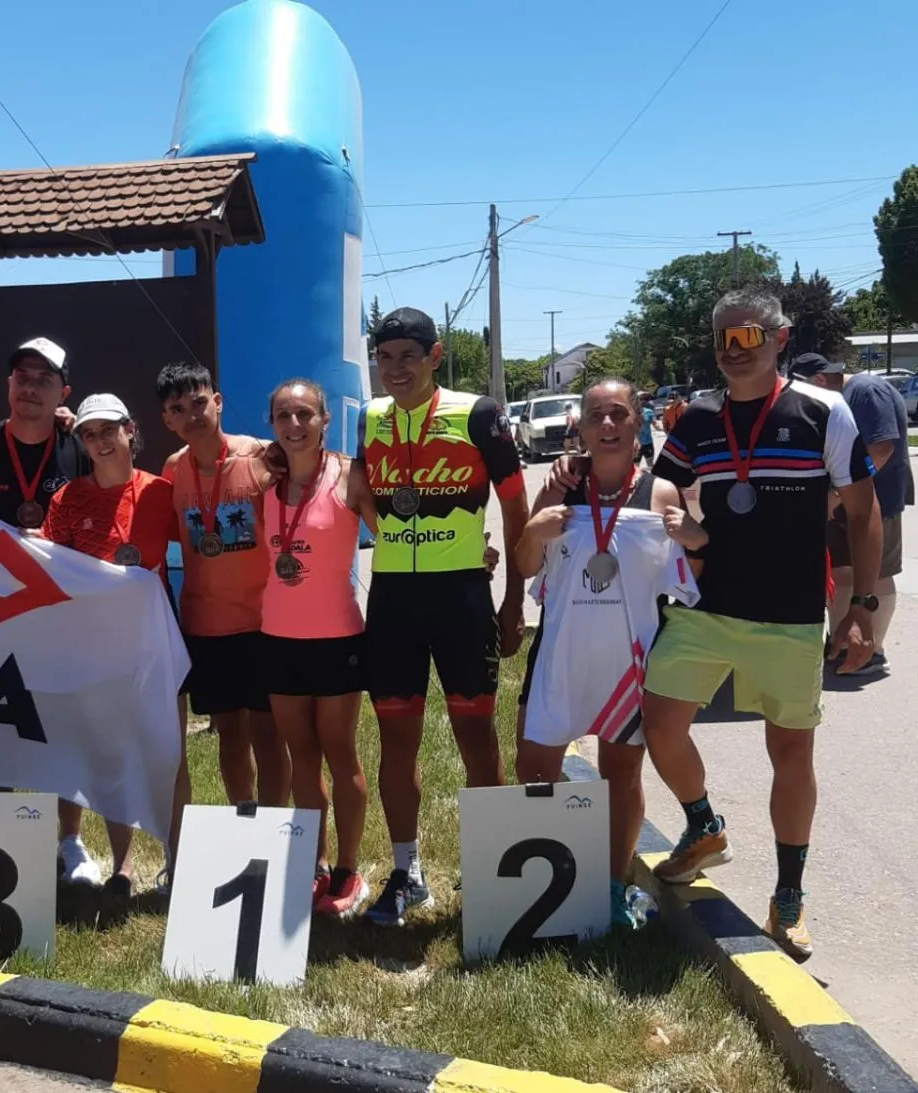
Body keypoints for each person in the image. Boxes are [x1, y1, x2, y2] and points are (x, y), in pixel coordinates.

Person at [633, 288, 878, 963]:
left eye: (746, 338)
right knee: (659, 722)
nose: (731, 353)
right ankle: (703, 825)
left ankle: (789, 896)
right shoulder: (698, 417)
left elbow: (861, 511)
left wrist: (861, 609)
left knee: (791, 756)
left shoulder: (823, 412)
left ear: (780, 338)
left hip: (792, 614)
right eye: (722, 341)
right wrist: (664, 511)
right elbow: (662, 483)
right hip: (706, 607)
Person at [357, 307, 529, 927]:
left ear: (434, 356)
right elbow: (361, 494)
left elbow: (516, 509)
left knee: (477, 739)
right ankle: (407, 874)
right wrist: (391, 535)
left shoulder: (477, 413)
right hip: (393, 600)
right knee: (395, 741)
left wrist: (513, 598)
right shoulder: (370, 418)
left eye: (408, 356)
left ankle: (494, 871)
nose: (395, 368)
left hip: (461, 598)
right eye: (385, 357)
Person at [515, 377, 705, 927]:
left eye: (618, 414)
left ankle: (613, 887)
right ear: (580, 424)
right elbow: (528, 565)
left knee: (621, 775)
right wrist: (533, 528)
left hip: (629, 663)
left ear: (637, 421)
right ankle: (542, 890)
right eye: (595, 415)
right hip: (560, 654)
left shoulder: (660, 495)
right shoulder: (559, 490)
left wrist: (696, 542)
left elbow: (690, 580)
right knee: (535, 769)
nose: (607, 426)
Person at [0, 338, 116, 890]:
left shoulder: (78, 449)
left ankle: (69, 840)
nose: (30, 387)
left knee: (63, 730)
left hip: (58, 618)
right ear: (8, 386)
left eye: (43, 380)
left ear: (62, 394)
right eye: (21, 376)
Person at [41, 393, 186, 898]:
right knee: (108, 753)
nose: (99, 442)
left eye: (108, 430)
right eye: (88, 434)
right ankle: (123, 866)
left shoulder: (161, 492)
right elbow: (49, 569)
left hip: (153, 642)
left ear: (129, 430)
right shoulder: (67, 501)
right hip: (94, 646)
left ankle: (178, 857)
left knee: (168, 751)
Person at [156, 362, 291, 809]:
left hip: (262, 622)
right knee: (229, 734)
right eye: (179, 408)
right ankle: (244, 823)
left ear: (218, 401)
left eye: (199, 402)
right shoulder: (173, 471)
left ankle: (275, 829)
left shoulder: (262, 457)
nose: (192, 415)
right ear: (167, 420)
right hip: (207, 625)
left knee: (268, 733)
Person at [262, 379, 372, 917]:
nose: (294, 425)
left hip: (337, 640)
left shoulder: (351, 475)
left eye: (305, 414)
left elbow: (396, 541)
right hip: (278, 638)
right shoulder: (263, 479)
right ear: (272, 425)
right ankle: (315, 863)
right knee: (299, 756)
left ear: (325, 420)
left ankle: (350, 871)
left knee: (338, 750)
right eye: (283, 416)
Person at [789, 352, 910, 676]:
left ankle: (872, 651)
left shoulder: (866, 390)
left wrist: (834, 493)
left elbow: (881, 448)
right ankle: (841, 644)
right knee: (842, 571)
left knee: (877, 575)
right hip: (842, 501)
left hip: (875, 502)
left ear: (818, 380)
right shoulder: (843, 397)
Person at [637, 393, 658, 467]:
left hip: (647, 443)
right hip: (636, 444)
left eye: (642, 400)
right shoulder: (630, 413)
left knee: (650, 466)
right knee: (635, 467)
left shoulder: (648, 412)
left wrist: (664, 429)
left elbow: (655, 424)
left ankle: (651, 478)